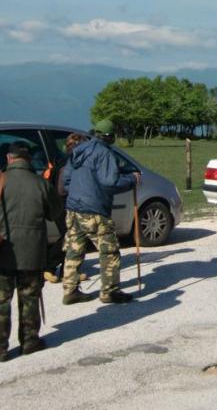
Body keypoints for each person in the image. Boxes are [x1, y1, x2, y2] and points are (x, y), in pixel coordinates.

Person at [0, 142, 63, 361]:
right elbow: (55, 213)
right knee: (29, 298)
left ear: (9, 158)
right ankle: (30, 342)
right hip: (32, 252)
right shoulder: (41, 184)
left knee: (0, 300)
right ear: (28, 160)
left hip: (1, 251)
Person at [61, 119, 140, 304]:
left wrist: (78, 194)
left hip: (73, 208)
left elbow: (66, 181)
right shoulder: (104, 153)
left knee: (74, 249)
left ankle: (70, 290)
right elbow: (110, 182)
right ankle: (109, 292)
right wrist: (131, 180)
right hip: (94, 210)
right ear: (109, 136)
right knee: (109, 250)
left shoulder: (78, 150)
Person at [44, 133, 88, 283]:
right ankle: (49, 267)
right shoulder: (69, 163)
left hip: (59, 203)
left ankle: (66, 271)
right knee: (69, 236)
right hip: (63, 204)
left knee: (70, 236)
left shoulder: (64, 160)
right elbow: (62, 189)